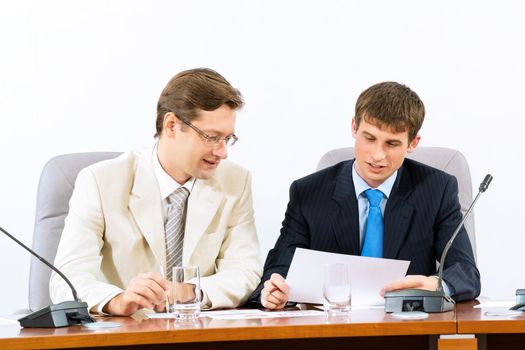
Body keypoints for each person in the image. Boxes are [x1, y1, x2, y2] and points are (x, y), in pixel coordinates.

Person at [50, 68, 262, 316]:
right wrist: (117, 300)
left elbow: (245, 270)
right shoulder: (100, 181)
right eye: (212, 137)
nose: (223, 152)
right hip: (127, 335)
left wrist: (189, 291)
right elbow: (67, 279)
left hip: (201, 334)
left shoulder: (236, 181)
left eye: (228, 138)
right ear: (171, 125)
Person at [250, 81, 480, 309]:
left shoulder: (436, 189)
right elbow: (279, 269)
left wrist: (438, 285)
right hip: (332, 329)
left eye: (392, 144)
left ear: (413, 143)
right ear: (353, 127)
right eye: (369, 138)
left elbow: (466, 273)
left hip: (407, 326)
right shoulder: (308, 192)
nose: (377, 155)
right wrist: (273, 292)